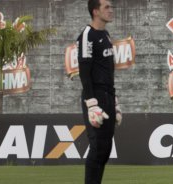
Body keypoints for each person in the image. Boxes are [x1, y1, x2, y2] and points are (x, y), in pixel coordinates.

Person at [76, 0, 122, 183]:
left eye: (111, 6)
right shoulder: (88, 35)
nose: (111, 10)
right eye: (106, 7)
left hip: (108, 96)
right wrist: (91, 104)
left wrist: (115, 100)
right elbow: (84, 72)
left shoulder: (106, 34)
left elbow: (108, 71)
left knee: (105, 149)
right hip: (95, 98)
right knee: (98, 148)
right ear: (95, 11)